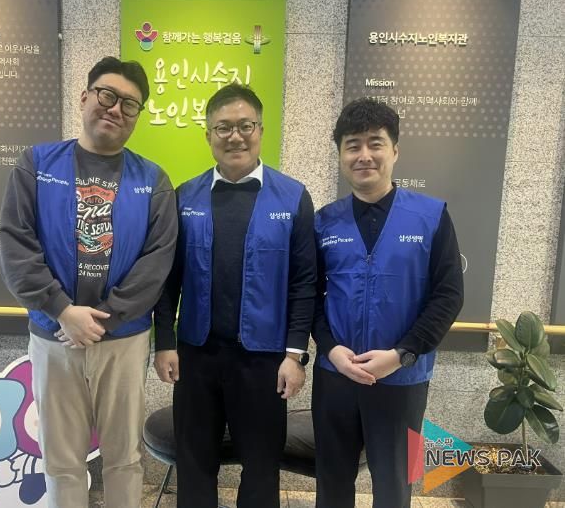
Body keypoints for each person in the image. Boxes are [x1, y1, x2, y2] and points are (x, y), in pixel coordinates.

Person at [0, 56, 177, 508]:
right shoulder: (36, 164)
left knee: (125, 458)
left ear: (137, 116)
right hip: (54, 335)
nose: (116, 109)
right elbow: (16, 244)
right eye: (107, 95)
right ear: (84, 98)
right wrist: (61, 309)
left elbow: (157, 261)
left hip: (124, 339)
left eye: (129, 104)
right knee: (61, 460)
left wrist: (104, 318)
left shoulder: (153, 180)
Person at [153, 83, 316, 508]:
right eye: (223, 127)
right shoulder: (184, 196)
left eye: (245, 126)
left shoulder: (293, 197)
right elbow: (167, 279)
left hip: (264, 361)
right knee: (194, 463)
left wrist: (295, 355)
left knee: (261, 467)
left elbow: (304, 283)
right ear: (208, 135)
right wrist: (164, 343)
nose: (235, 136)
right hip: (196, 356)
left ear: (260, 130)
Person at [312, 98, 464, 508]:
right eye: (353, 145)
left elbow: (449, 294)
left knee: (396, 486)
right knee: (331, 483)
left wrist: (402, 354)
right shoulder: (324, 221)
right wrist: (331, 349)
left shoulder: (431, 217)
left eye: (375, 143)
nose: (364, 155)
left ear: (395, 150)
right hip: (336, 375)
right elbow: (309, 295)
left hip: (402, 379)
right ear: (341, 155)